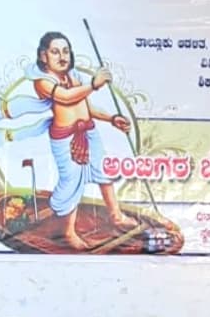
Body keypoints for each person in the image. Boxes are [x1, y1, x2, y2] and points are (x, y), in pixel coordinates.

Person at [29, 31, 133, 250]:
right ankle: (68, 232)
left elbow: (85, 106)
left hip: (89, 132)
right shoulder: (42, 81)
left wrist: (111, 119)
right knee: (72, 182)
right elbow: (66, 97)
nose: (62, 56)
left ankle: (116, 215)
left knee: (103, 171)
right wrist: (94, 85)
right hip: (66, 138)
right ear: (43, 56)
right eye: (55, 52)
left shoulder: (73, 75)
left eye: (65, 51)